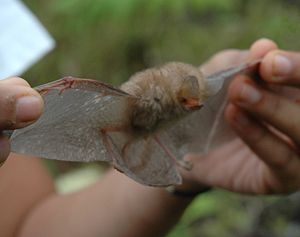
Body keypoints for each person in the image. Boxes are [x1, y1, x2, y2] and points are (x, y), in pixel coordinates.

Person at [1, 38, 299, 237]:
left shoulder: (193, 99)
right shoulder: (141, 97)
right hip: (123, 117)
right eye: (188, 102)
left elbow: (27, 225)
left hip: (160, 130)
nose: (194, 106)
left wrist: (244, 90)